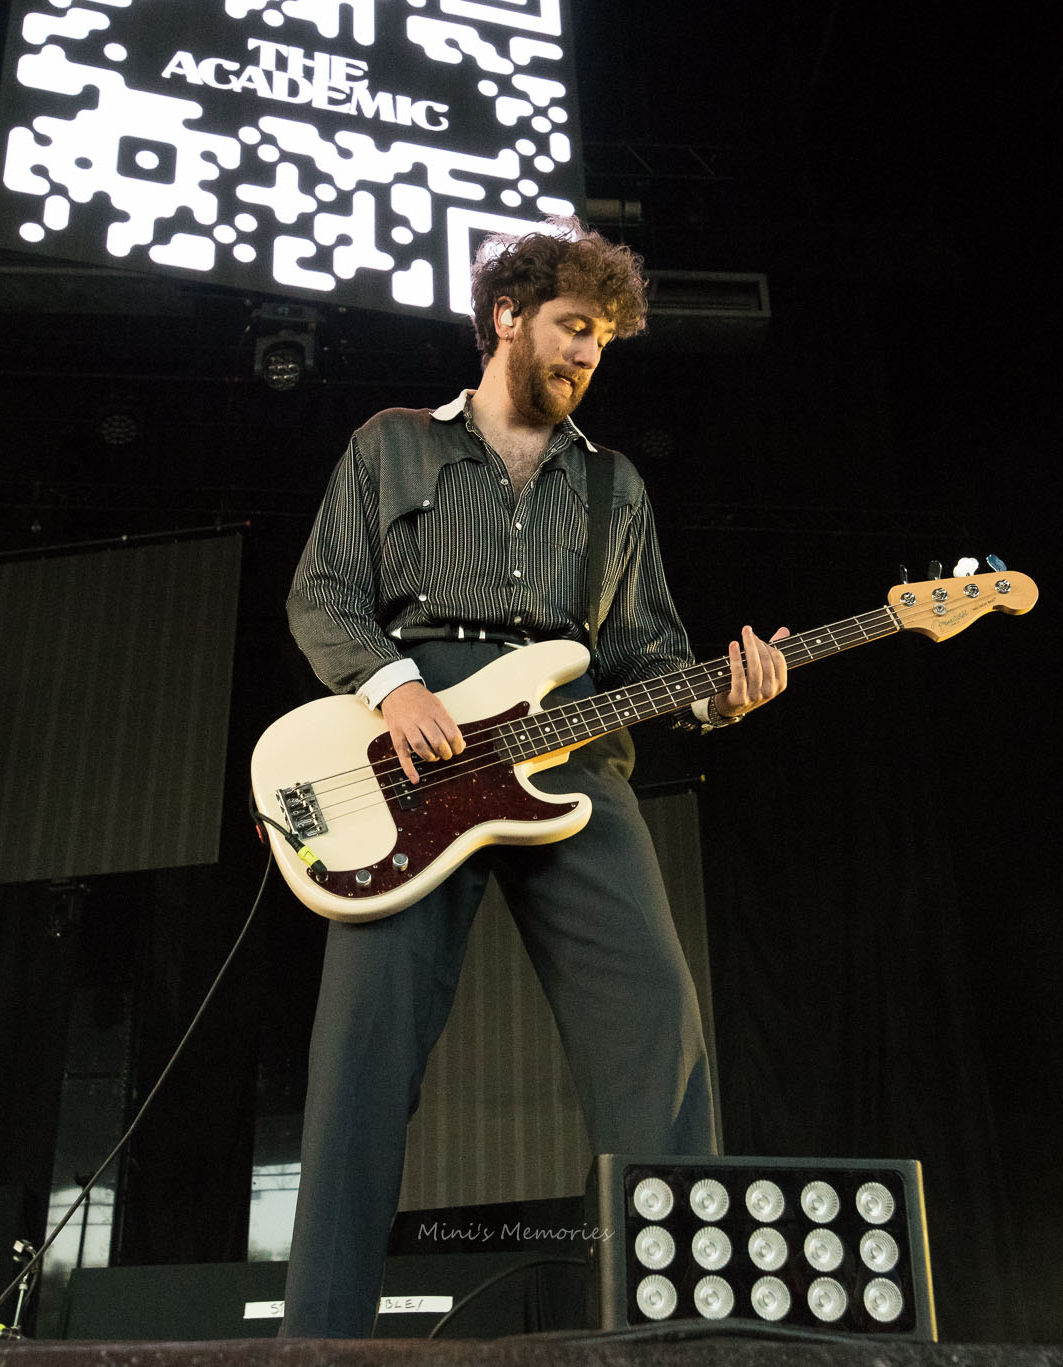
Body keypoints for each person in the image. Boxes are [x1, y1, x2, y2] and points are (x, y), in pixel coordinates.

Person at [280, 218, 789, 1338]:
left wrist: (719, 690)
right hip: (411, 750)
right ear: (506, 316)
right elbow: (322, 596)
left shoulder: (613, 486)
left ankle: (685, 1330)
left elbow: (647, 652)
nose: (583, 355)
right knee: (361, 1050)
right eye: (571, 328)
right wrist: (394, 684)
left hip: (570, 749)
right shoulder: (393, 443)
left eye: (601, 342)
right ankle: (319, 1339)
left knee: (657, 1023)